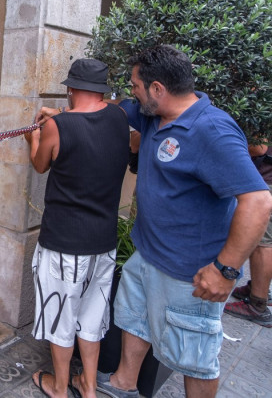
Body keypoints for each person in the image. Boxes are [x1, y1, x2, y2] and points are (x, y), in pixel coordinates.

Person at [89, 45, 272, 398]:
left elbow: (258, 200)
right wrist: (66, 115)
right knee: (134, 321)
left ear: (158, 89)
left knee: (195, 358)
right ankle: (123, 385)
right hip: (148, 254)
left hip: (190, 273)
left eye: (136, 86)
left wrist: (226, 270)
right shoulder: (153, 114)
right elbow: (112, 109)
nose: (133, 92)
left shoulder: (212, 130)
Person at [24, 59, 129, 398]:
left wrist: (33, 138)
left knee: (61, 316)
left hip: (64, 243)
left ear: (70, 88)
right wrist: (59, 117)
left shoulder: (59, 128)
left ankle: (58, 385)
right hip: (103, 241)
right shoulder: (119, 117)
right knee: (93, 315)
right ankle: (88, 385)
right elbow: (90, 120)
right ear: (103, 89)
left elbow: (40, 164)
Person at [223, 143, 272, 327]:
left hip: (266, 177)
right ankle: (259, 289)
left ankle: (258, 304)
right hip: (266, 175)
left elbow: (260, 147)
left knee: (263, 243)